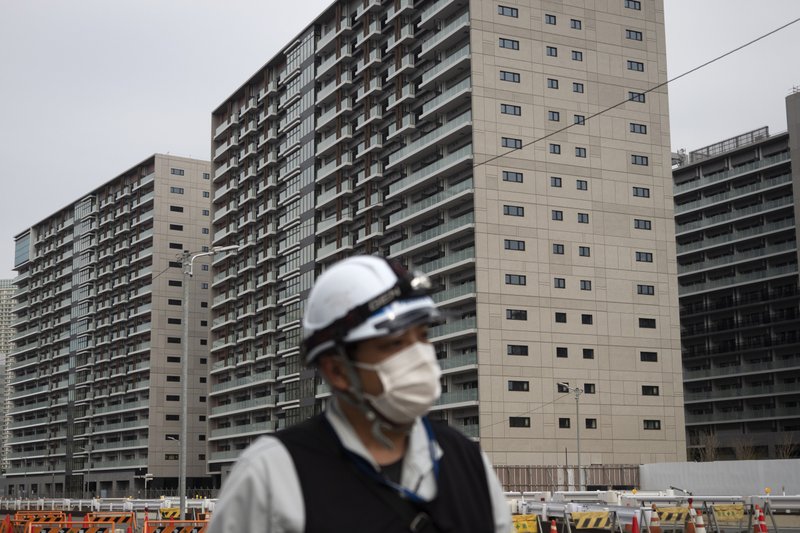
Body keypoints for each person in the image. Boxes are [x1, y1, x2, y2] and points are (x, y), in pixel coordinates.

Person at [208, 255, 511, 532]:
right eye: (393, 344)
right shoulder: (271, 475)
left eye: (422, 336)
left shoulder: (468, 461)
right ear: (338, 371)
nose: (419, 355)